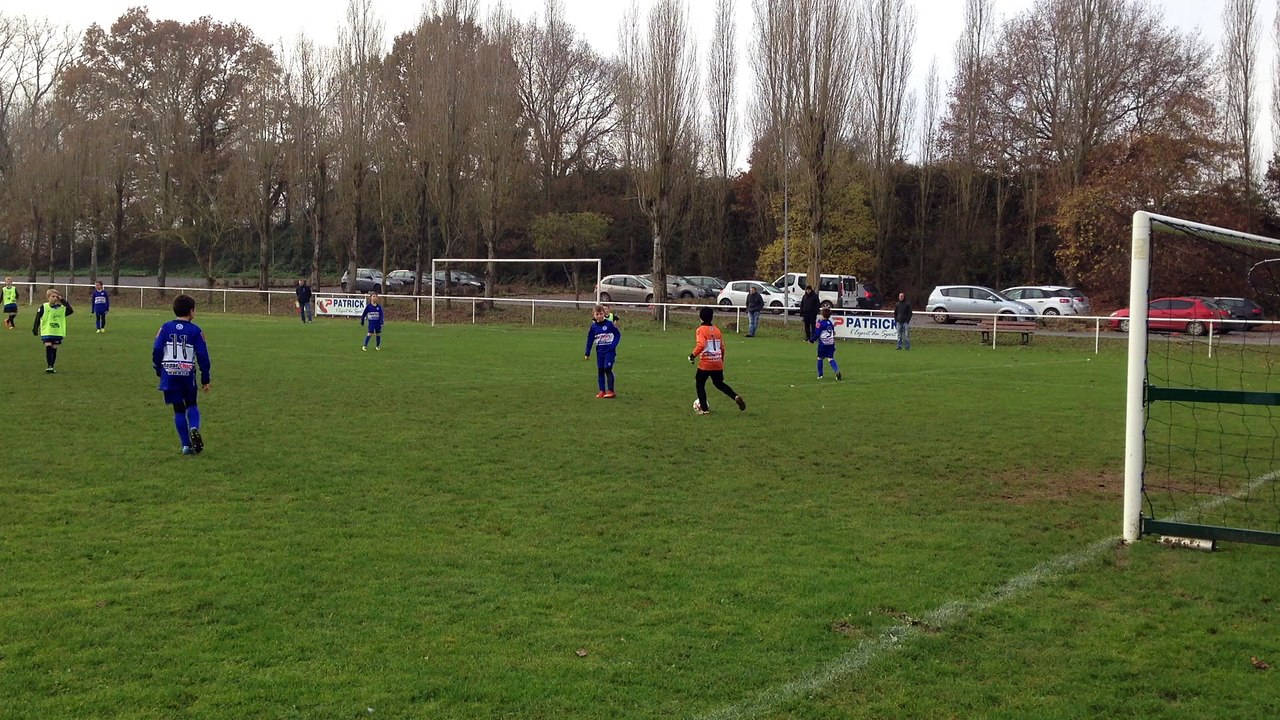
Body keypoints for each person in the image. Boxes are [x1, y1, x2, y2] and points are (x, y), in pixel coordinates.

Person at [152, 294, 211, 455]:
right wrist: (205, 378)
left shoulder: (165, 327)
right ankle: (193, 427)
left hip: (169, 372)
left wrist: (158, 368)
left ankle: (186, 445)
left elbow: (157, 349)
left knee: (178, 409)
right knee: (191, 404)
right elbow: (203, 356)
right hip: (187, 372)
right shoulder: (196, 331)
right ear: (192, 311)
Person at [689, 306, 746, 415]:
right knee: (719, 383)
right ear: (711, 318)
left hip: (706, 363)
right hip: (717, 362)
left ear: (701, 318)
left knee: (700, 384)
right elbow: (722, 348)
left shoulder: (700, 330)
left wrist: (692, 356)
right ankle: (735, 396)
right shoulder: (717, 330)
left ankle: (704, 409)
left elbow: (701, 345)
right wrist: (721, 362)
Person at [32, 288, 74, 374]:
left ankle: (52, 366)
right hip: (47, 331)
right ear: (48, 297)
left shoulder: (61, 308)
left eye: (56, 296)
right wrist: (35, 328)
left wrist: (62, 300)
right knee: (48, 347)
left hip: (57, 332)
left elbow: (70, 310)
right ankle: (49, 366)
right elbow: (37, 318)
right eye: (52, 296)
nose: (54, 298)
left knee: (54, 348)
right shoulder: (44, 307)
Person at [584, 303, 622, 398]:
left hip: (609, 351)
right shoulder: (593, 327)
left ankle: (611, 391)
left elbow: (617, 335)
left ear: (604, 314)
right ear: (594, 315)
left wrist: (612, 346)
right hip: (599, 352)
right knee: (600, 370)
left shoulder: (609, 324)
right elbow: (590, 339)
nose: (599, 316)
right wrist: (587, 352)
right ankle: (602, 391)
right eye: (597, 314)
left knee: (607, 368)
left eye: (600, 314)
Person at [809, 306, 842, 380]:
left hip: (823, 343)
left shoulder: (820, 324)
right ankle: (836, 370)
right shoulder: (830, 323)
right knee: (830, 358)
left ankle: (820, 375)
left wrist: (811, 340)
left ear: (822, 315)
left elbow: (817, 334)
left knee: (820, 358)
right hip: (831, 343)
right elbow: (833, 333)